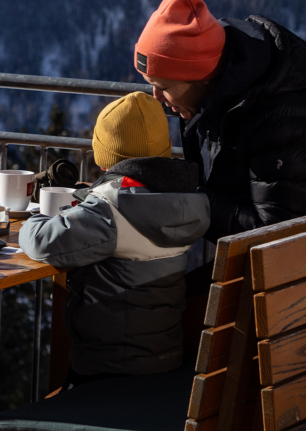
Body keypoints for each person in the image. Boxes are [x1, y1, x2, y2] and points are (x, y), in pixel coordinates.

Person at [134, 0, 306, 242]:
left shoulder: (283, 119)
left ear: (201, 76)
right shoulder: (211, 103)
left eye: (164, 87)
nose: (156, 97)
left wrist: (189, 200)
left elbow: (275, 234)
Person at [19, 91, 210, 385]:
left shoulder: (111, 212)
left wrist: (34, 217)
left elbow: (42, 242)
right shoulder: (186, 201)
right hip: (166, 358)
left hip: (108, 369)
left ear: (106, 154)